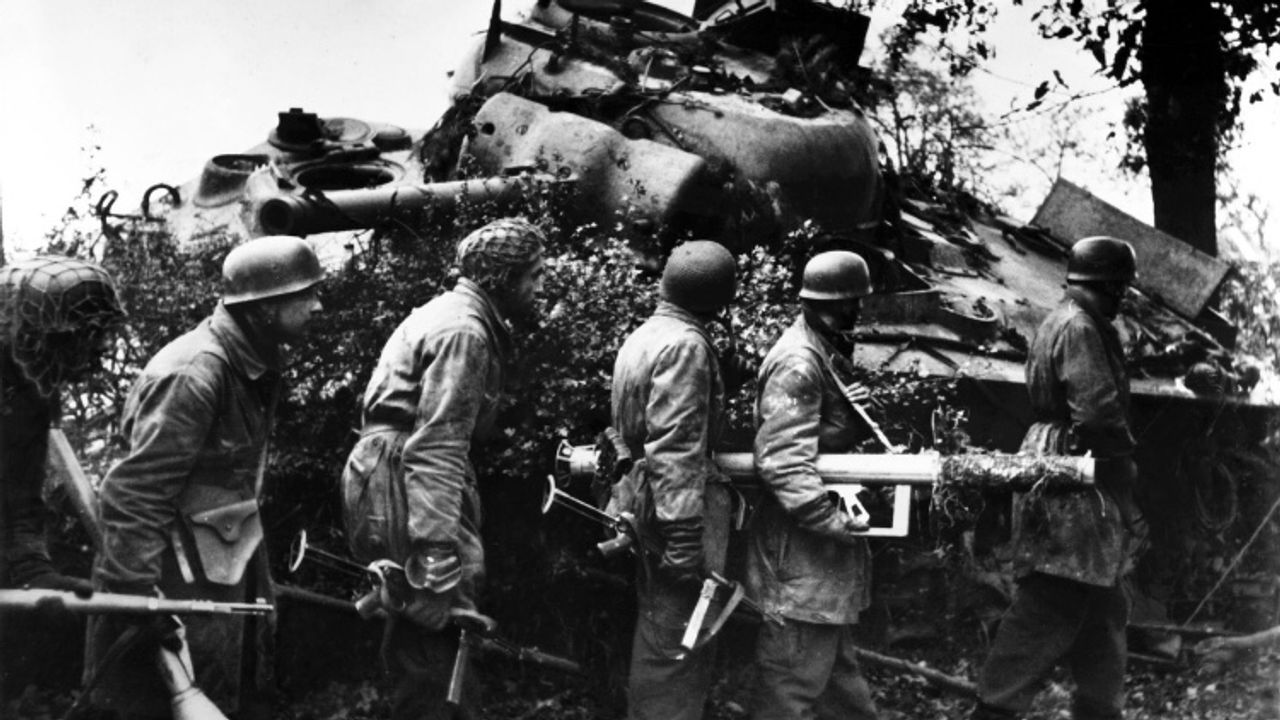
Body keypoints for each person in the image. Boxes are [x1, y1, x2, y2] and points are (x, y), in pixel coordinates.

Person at [87, 235, 324, 719]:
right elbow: (135, 495)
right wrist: (134, 601)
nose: (318, 306)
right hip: (168, 580)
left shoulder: (251, 358)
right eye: (305, 296)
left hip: (214, 565)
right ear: (260, 311)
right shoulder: (194, 374)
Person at [340, 217, 546, 720]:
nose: (541, 286)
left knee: (421, 642)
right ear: (503, 278)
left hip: (389, 475)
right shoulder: (465, 332)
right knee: (437, 637)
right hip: (407, 481)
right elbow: (437, 446)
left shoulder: (452, 315)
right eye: (534, 275)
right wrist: (435, 559)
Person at [971, 236, 1141, 720]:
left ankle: (1100, 708)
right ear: (1108, 285)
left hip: (1062, 460)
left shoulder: (1061, 320)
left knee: (1102, 603)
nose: (1122, 297)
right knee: (1054, 593)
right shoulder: (1082, 326)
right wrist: (1123, 464)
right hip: (1077, 468)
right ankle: (995, 708)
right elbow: (1097, 413)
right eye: (1120, 287)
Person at [746, 250, 880, 720]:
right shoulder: (800, 361)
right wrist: (830, 518)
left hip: (816, 566)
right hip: (801, 560)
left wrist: (849, 426)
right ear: (835, 302)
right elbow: (781, 461)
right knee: (789, 690)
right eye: (853, 302)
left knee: (841, 693)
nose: (859, 311)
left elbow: (808, 438)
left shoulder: (820, 350)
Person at [608, 239, 737, 720]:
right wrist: (685, 538)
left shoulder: (646, 334)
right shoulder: (685, 346)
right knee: (677, 645)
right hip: (670, 514)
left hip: (641, 503)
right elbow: (675, 447)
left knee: (662, 636)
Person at [0, 256, 125, 590]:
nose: (95, 350)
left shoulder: (33, 384)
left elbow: (21, 495)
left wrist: (32, 572)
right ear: (35, 331)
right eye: (83, 337)